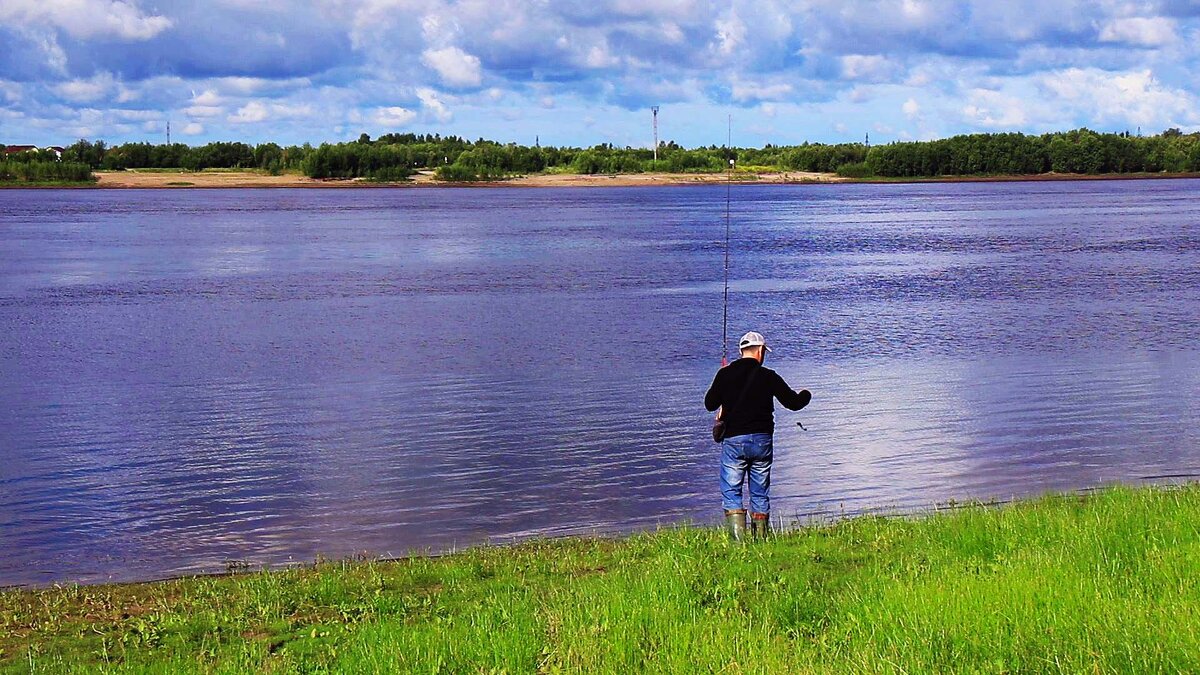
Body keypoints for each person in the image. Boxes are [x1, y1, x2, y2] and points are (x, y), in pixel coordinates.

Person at [704, 331, 811, 541]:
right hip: (762, 441)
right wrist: (807, 394)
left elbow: (710, 404)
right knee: (760, 493)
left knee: (732, 491)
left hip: (734, 441)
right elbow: (794, 403)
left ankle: (739, 545)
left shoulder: (724, 374)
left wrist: (723, 384)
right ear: (760, 351)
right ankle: (761, 540)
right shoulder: (768, 376)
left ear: (741, 351)